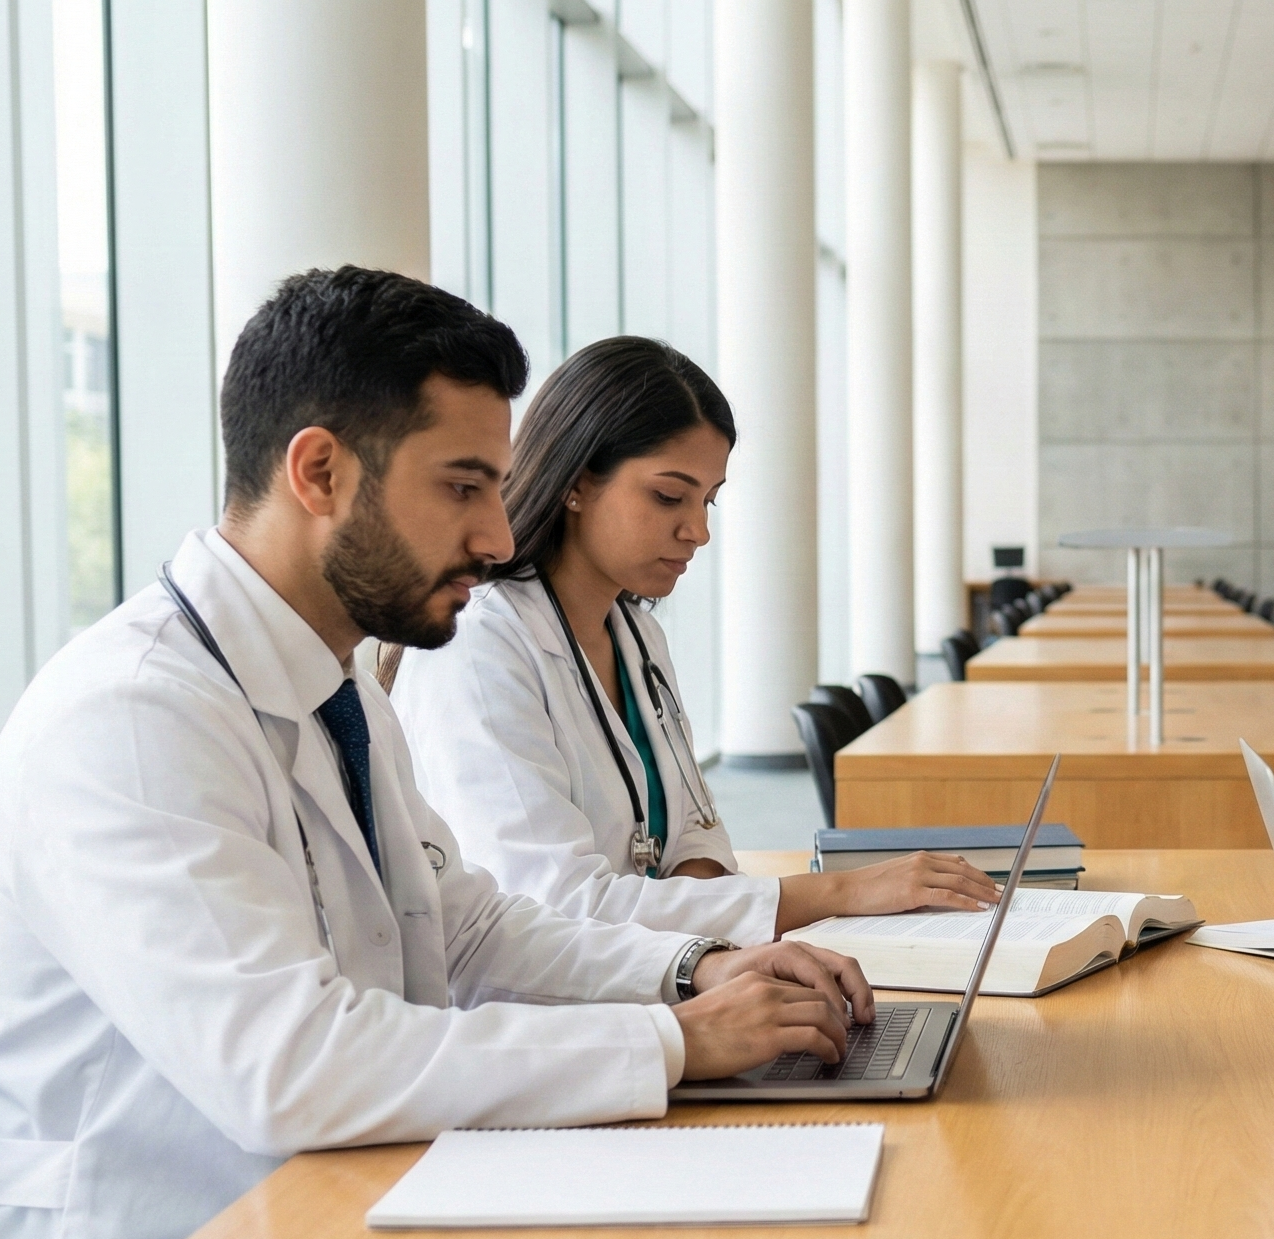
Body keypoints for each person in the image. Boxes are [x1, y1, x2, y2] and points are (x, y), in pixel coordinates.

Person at [0, 268, 874, 1239]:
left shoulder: (333, 686)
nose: (496, 536)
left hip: (340, 1199)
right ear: (320, 472)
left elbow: (472, 930)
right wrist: (677, 1041)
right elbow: (291, 1067)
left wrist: (697, 969)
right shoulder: (134, 720)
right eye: (464, 486)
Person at [390, 336, 1000, 944]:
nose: (698, 530)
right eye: (668, 496)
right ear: (575, 482)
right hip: (543, 1019)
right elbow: (554, 906)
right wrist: (842, 891)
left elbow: (695, 834)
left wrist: (688, 908)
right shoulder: (477, 645)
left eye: (708, 499)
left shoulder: (637, 634)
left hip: (665, 974)